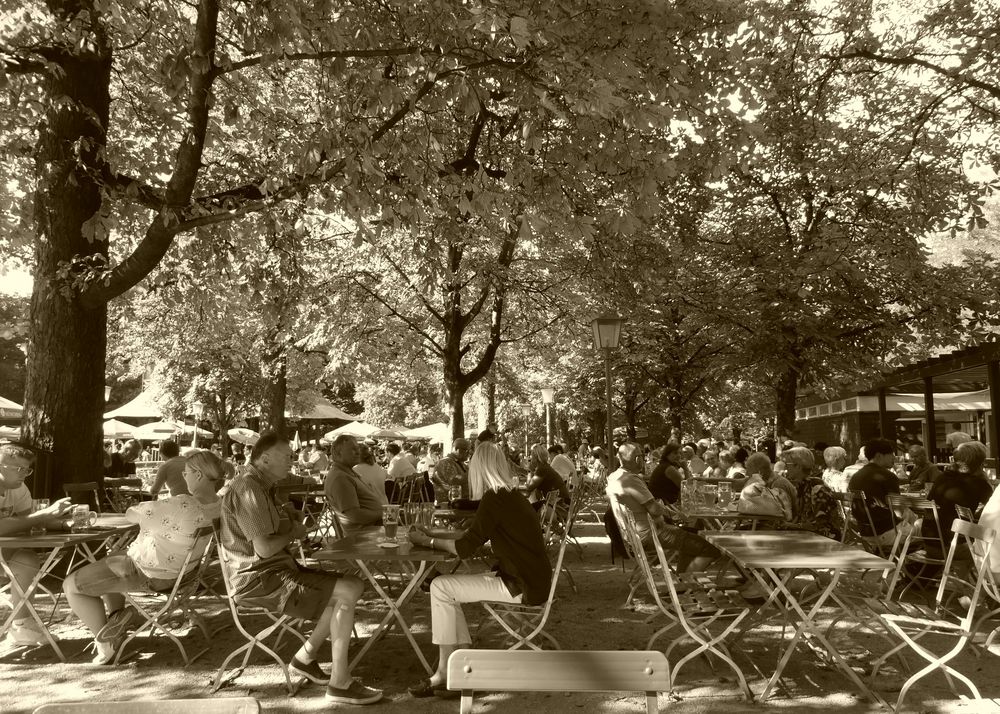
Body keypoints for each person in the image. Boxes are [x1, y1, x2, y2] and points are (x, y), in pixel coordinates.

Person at [220, 432, 381, 704]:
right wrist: (293, 532)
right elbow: (264, 549)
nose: (292, 461)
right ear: (265, 458)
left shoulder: (259, 485)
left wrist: (286, 521)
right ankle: (339, 683)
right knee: (349, 590)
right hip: (258, 580)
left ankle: (306, 658)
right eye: (287, 456)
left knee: (348, 589)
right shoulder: (248, 487)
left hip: (274, 571)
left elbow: (265, 538)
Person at [406, 442, 551, 698]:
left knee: (440, 586)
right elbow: (474, 535)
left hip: (521, 584)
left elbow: (464, 547)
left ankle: (445, 673)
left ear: (478, 467)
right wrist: (433, 534)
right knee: (446, 588)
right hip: (529, 578)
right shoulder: (508, 495)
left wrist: (426, 541)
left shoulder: (495, 497)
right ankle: (460, 667)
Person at [63, 449, 224, 663]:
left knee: (70, 585)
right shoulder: (219, 504)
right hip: (183, 575)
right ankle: (117, 619)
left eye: (185, 473)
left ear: (199, 475)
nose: (184, 477)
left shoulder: (183, 504)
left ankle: (106, 640)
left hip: (149, 574)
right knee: (114, 557)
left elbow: (134, 513)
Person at [0, 443, 74, 646]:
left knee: (27, 559)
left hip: (3, 554)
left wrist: (64, 523)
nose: (24, 474)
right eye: (18, 469)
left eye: (27, 469)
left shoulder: (18, 487)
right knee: (24, 558)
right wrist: (44, 513)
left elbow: (29, 519)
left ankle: (21, 626)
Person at [607, 442, 721, 572]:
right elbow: (654, 509)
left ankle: (683, 578)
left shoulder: (614, 477)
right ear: (638, 459)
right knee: (712, 547)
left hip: (634, 536)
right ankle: (687, 580)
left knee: (691, 539)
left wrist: (664, 515)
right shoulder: (631, 479)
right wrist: (674, 515)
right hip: (650, 535)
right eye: (642, 457)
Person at [926, 441, 993, 557]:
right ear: (980, 464)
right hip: (954, 547)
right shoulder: (978, 483)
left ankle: (963, 575)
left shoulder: (942, 477)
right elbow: (994, 509)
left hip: (929, 543)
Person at [847, 438, 901, 546]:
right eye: (891, 454)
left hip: (864, 533)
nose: (894, 457)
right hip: (888, 532)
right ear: (879, 456)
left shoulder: (855, 477)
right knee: (921, 526)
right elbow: (899, 510)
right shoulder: (888, 476)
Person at [782, 446, 842, 540]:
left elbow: (820, 524)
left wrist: (793, 526)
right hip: (807, 537)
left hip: (824, 541)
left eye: (787, 464)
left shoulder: (818, 488)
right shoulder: (802, 485)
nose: (785, 468)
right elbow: (800, 518)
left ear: (798, 466)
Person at [325, 435, 382, 533]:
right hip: (365, 535)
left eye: (358, 448)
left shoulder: (348, 472)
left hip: (375, 528)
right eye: (353, 449)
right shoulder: (340, 478)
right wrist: (384, 514)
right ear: (338, 453)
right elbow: (355, 516)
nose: (358, 452)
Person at [524, 443, 570, 509]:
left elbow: (529, 488)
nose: (530, 458)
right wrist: (537, 489)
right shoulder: (545, 466)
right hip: (561, 502)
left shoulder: (542, 469)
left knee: (526, 508)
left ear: (536, 457)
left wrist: (530, 471)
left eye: (532, 455)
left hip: (558, 505)